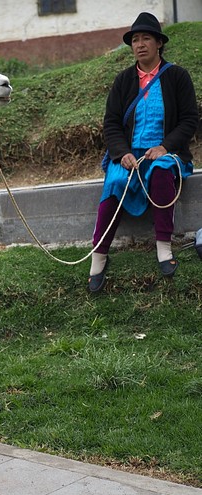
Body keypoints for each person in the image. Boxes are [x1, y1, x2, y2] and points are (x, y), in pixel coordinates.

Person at [88, 12, 199, 293]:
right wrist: (122, 152)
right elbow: (111, 122)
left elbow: (189, 119)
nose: (140, 44)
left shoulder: (177, 77)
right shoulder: (123, 81)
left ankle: (163, 246)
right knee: (114, 182)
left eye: (146, 38)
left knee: (162, 171)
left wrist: (165, 146)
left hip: (165, 151)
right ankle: (99, 255)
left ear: (159, 43)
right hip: (129, 154)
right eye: (135, 39)